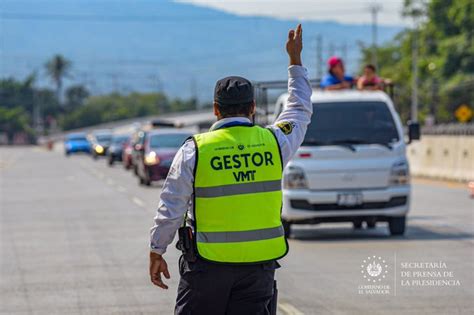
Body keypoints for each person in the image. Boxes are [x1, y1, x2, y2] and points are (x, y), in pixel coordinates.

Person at [149, 24, 313, 314]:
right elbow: (299, 109)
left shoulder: (195, 150)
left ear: (215, 109)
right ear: (252, 107)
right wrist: (294, 61)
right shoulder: (274, 142)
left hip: (207, 268)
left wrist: (157, 249)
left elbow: (171, 206)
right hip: (258, 270)